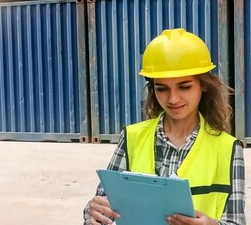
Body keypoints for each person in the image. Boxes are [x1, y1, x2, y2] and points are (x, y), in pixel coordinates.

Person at [83, 28, 246, 225]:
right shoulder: (132, 137)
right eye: (162, 88)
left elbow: (235, 221)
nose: (173, 99)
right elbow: (104, 208)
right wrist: (92, 212)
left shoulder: (228, 149)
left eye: (184, 86)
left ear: (203, 84)